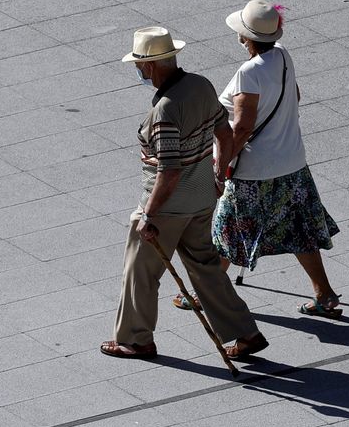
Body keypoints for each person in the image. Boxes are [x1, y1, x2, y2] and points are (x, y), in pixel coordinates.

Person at [100, 27, 268, 360]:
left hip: (166, 208)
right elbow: (224, 133)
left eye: (139, 64)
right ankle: (246, 332)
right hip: (202, 199)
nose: (139, 70)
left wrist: (148, 215)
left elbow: (169, 170)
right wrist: (217, 176)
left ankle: (136, 339)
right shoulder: (201, 85)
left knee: (140, 272)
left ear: (151, 66)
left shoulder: (164, 110)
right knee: (206, 267)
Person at [173, 0, 342, 319]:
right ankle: (325, 294)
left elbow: (242, 128)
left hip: (253, 172)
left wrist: (220, 168)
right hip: (292, 162)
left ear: (244, 37)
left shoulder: (249, 73)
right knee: (299, 229)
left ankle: (204, 293)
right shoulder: (283, 55)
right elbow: (295, 96)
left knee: (226, 231)